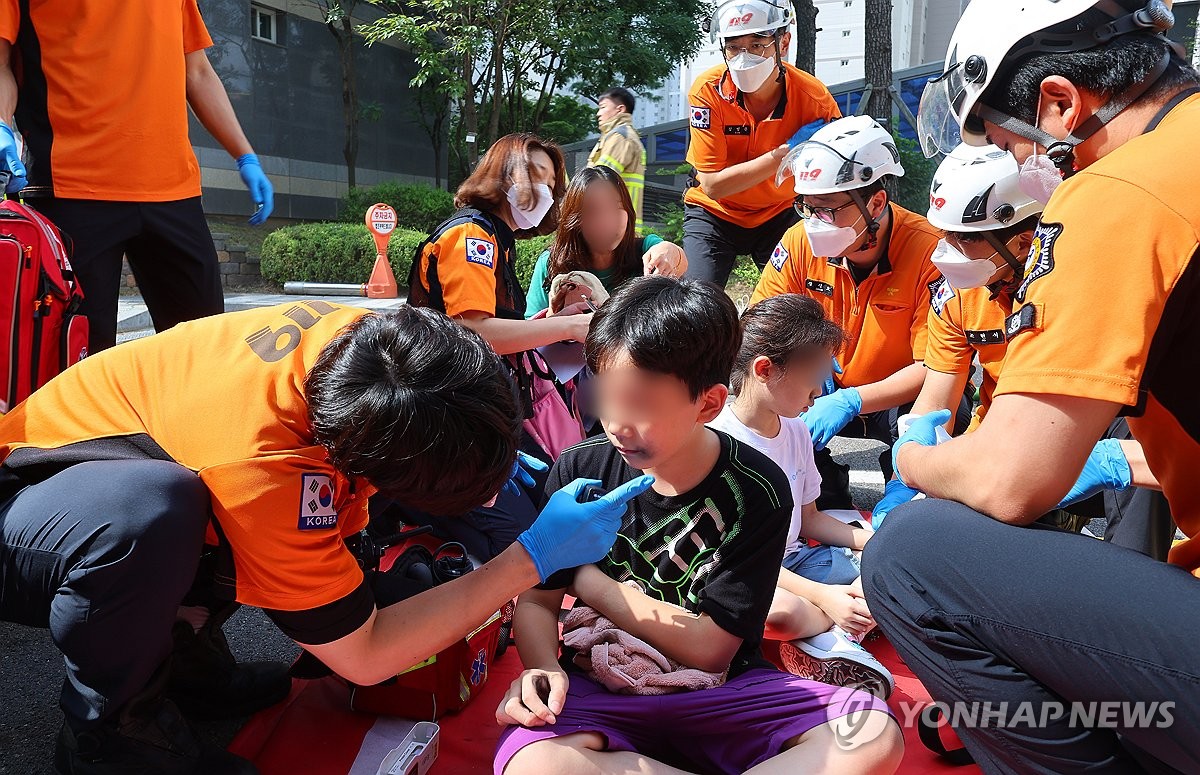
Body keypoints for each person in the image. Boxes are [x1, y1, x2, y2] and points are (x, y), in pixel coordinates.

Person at [0, 301, 650, 775]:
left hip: (133, 458)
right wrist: (530, 556)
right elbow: (365, 655)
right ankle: (109, 735)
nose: (489, 495)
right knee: (153, 516)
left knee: (237, 530)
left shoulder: (388, 348)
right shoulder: (266, 469)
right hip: (32, 507)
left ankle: (177, 659)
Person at [865, 0, 1200, 771]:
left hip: (1031, 464)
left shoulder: (1116, 193)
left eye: (1009, 140)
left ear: (1059, 102)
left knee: (911, 554)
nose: (1021, 163)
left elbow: (1013, 479)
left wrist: (911, 464)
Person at [494, 277, 902, 775]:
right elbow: (536, 602)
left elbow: (710, 651)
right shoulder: (580, 468)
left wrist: (584, 579)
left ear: (708, 404)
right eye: (606, 397)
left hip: (725, 689)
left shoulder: (759, 489)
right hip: (601, 684)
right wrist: (542, 666)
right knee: (534, 765)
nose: (616, 424)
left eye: (641, 405)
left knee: (874, 734)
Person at [0, 0, 275, 354]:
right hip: (72, 187)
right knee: (81, 363)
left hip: (174, 192)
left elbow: (197, 70)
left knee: (204, 353)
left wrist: (245, 155)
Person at [750, 115, 961, 509]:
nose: (815, 222)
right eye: (807, 208)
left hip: (895, 397)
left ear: (876, 202)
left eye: (828, 209)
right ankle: (814, 480)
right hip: (819, 389)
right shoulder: (798, 242)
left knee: (951, 415)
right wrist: (803, 370)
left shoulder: (930, 252)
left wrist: (852, 401)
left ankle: (917, 483)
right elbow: (763, 326)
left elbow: (936, 366)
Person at [709, 293, 893, 698]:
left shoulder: (794, 429)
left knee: (892, 570)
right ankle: (828, 633)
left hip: (795, 562)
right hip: (744, 575)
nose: (820, 391)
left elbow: (810, 519)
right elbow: (733, 561)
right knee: (782, 611)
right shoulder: (720, 445)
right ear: (765, 370)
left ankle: (826, 637)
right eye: (813, 376)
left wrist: (877, 543)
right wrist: (824, 596)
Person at [681, 0, 841, 287]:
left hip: (780, 212)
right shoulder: (707, 93)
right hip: (714, 213)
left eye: (757, 45)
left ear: (783, 42)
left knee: (797, 302)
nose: (745, 57)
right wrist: (786, 153)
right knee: (697, 303)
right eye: (734, 47)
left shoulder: (813, 98)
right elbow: (713, 186)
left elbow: (832, 175)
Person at [409, 132, 591, 354]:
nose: (544, 191)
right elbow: (475, 331)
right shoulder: (472, 235)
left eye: (551, 186)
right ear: (502, 174)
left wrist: (555, 323)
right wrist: (569, 327)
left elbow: (496, 322)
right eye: (535, 175)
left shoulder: (497, 238)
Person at [525, 165, 687, 318]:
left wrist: (670, 250)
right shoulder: (551, 262)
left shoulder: (644, 250)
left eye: (616, 207)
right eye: (593, 210)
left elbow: (677, 261)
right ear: (576, 219)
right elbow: (530, 328)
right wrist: (554, 319)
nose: (606, 221)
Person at [587, 87, 647, 233]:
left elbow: (599, 181)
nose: (598, 113)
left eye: (603, 107)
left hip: (611, 223)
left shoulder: (620, 137)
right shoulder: (619, 136)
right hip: (619, 223)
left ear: (620, 109)